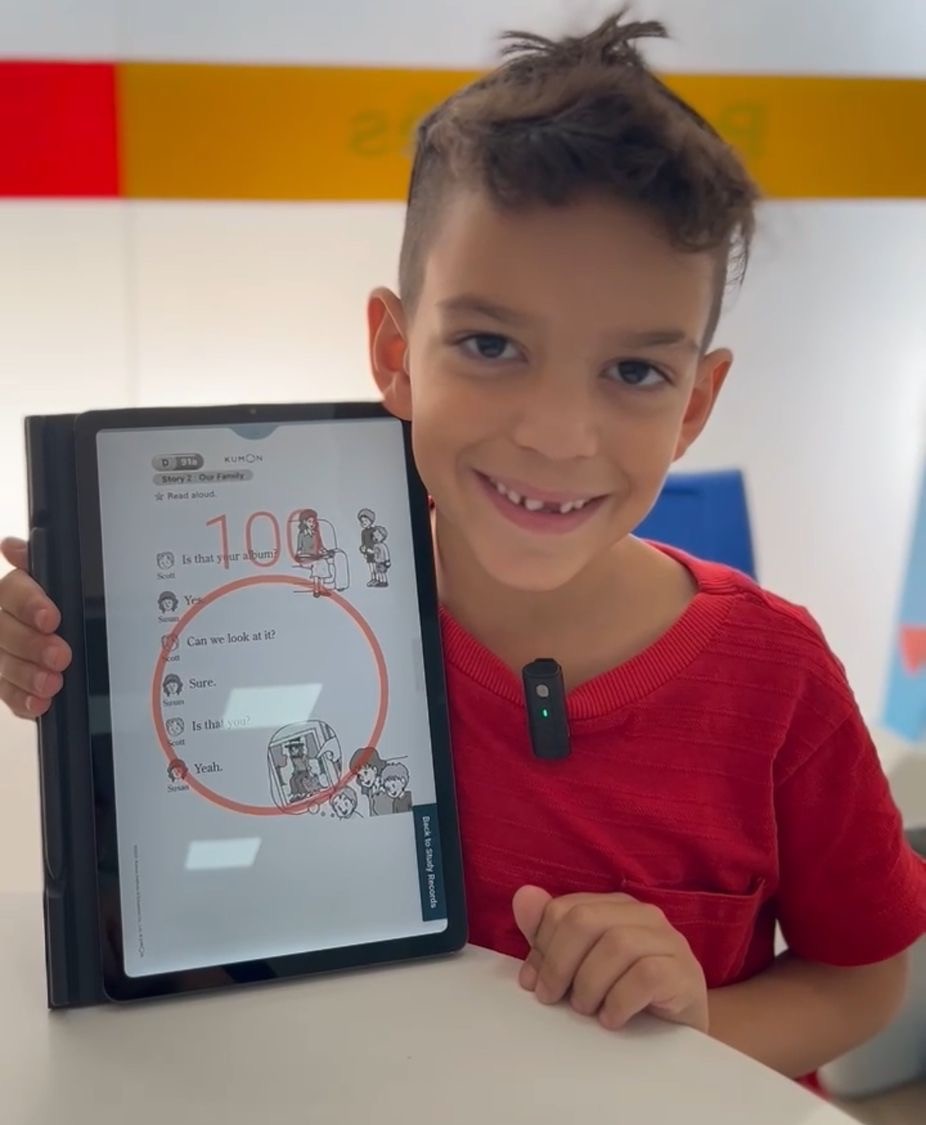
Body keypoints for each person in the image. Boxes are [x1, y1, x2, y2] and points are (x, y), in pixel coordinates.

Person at [0, 10, 923, 1080]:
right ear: (396, 353)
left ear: (694, 404)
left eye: (634, 372)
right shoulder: (285, 627)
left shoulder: (777, 677)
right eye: (490, 344)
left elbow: (862, 980)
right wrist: (76, 681)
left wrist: (694, 1025)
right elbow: (187, 921)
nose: (556, 434)